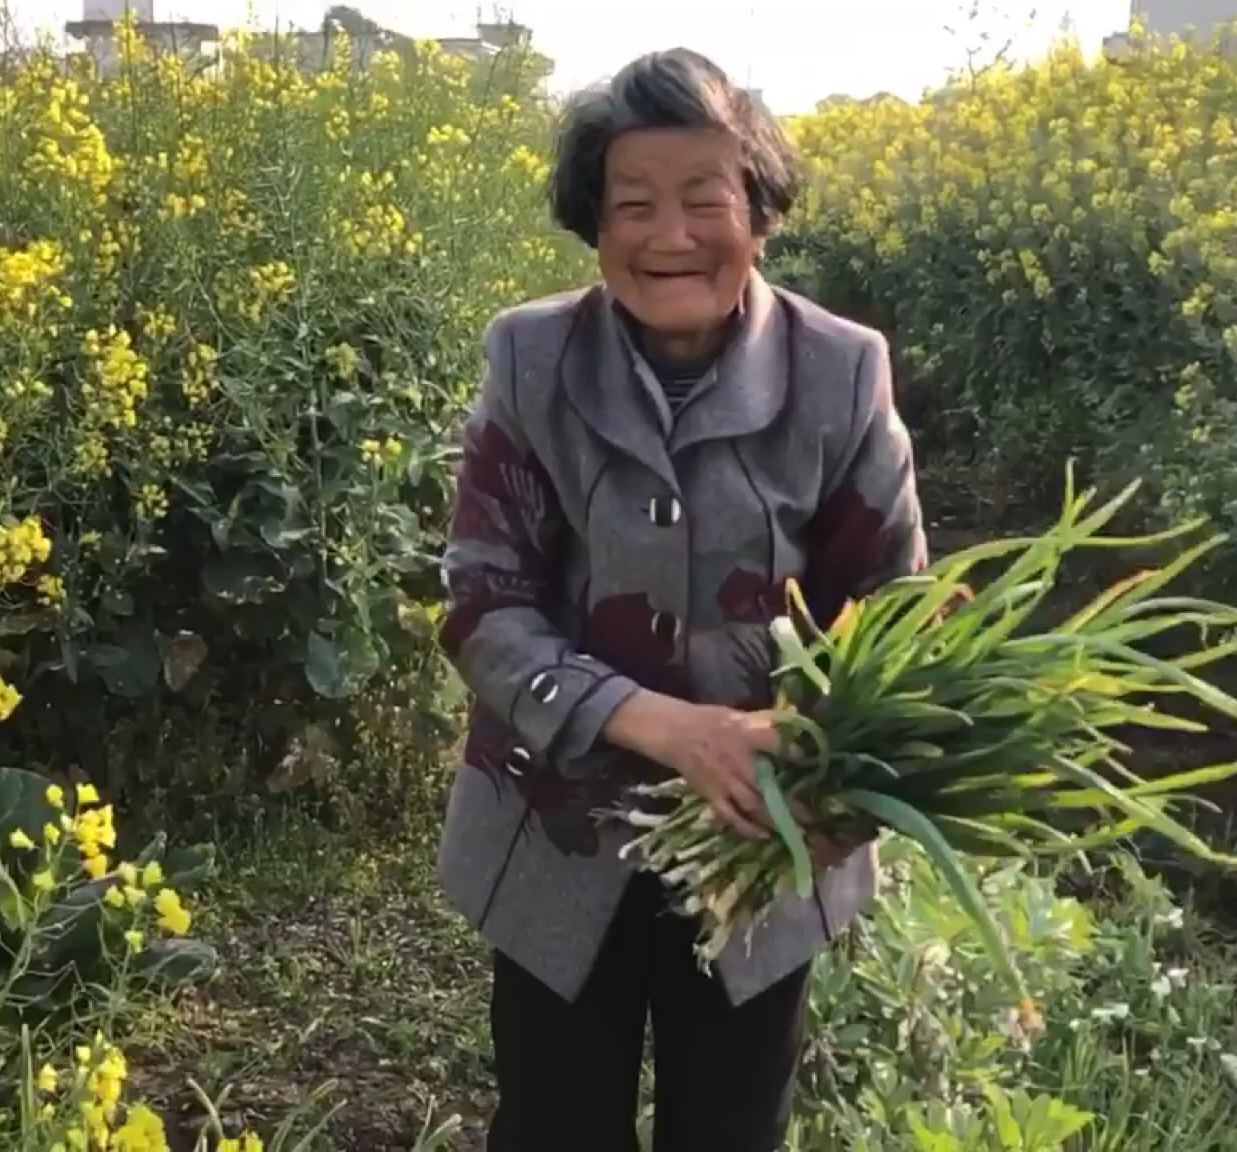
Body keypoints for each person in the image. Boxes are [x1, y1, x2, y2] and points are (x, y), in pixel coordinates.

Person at [434, 47, 928, 1152]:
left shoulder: (839, 371)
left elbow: (894, 607)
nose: (669, 238)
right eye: (632, 205)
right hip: (560, 822)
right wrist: (671, 729)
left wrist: (811, 746)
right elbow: (484, 608)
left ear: (756, 213)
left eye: (703, 200)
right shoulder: (531, 356)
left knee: (730, 1124)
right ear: (591, 225)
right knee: (555, 1121)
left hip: (764, 833)